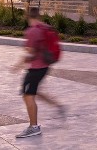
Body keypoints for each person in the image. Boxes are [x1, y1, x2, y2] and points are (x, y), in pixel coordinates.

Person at [13, 7, 63, 138]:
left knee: (28, 95)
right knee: (32, 93)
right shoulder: (44, 27)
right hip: (44, 66)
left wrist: (18, 65)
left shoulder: (32, 31)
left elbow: (31, 52)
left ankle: (34, 127)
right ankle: (55, 106)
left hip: (36, 68)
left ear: (27, 17)